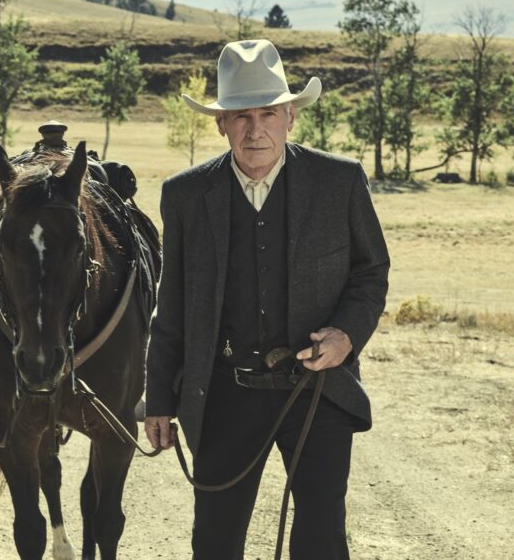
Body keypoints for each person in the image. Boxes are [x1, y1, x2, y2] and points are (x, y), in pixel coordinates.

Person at [144, 39, 390, 559]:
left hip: (318, 391)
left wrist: (347, 334)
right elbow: (174, 304)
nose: (255, 130)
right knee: (214, 541)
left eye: (269, 114)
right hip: (226, 393)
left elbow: (371, 271)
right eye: (241, 116)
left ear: (290, 118)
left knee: (323, 539)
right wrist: (160, 398)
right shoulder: (186, 195)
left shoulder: (339, 181)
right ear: (220, 124)